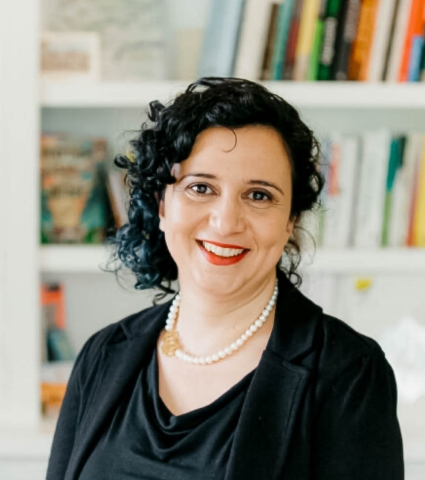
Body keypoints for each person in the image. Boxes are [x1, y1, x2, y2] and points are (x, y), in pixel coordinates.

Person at [46, 77, 404, 480]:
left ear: (291, 222)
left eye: (259, 195)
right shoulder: (103, 354)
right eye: (201, 187)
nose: (225, 221)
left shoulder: (348, 372)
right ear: (162, 205)